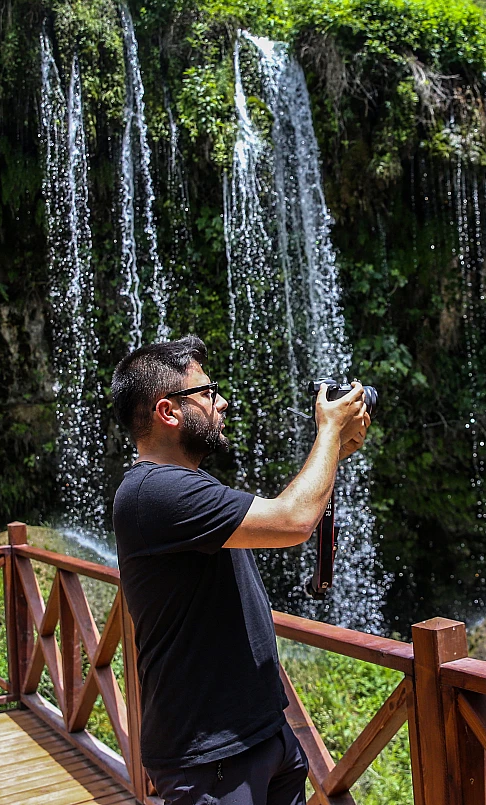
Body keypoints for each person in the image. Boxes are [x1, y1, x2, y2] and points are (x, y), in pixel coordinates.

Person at [110, 335, 371, 805]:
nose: (222, 402)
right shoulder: (153, 493)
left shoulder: (186, 485)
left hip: (261, 734)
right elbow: (294, 521)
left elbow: (287, 515)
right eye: (208, 393)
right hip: (210, 756)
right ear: (168, 411)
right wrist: (328, 432)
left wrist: (335, 451)